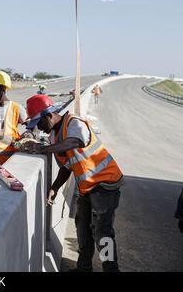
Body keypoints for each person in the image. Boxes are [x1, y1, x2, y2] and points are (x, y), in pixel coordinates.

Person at [21, 94, 124, 272]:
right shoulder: (55, 136)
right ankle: (83, 268)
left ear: (48, 116)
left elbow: (76, 141)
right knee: (82, 230)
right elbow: (67, 166)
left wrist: (42, 148)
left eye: (39, 123)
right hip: (86, 188)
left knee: (102, 234)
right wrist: (54, 188)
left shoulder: (74, 123)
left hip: (105, 184)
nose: (39, 128)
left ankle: (111, 269)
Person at [0, 70, 28, 165]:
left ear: (3, 89)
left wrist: (28, 136)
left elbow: (32, 126)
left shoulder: (16, 108)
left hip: (8, 161)